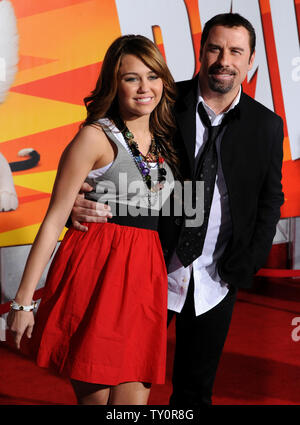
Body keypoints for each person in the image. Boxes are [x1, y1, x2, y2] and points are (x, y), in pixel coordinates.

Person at [70, 13, 284, 406]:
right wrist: (78, 203)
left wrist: (248, 261)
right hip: (151, 270)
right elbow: (107, 155)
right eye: (215, 48)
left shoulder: (267, 126)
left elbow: (271, 199)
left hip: (216, 278)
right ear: (201, 52)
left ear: (251, 60)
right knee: (121, 380)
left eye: (236, 51)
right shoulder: (164, 104)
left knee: (194, 392)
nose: (225, 59)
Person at [7, 34, 179, 405]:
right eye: (132, 77)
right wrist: (22, 303)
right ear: (113, 84)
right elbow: (54, 219)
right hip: (98, 271)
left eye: (152, 76)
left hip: (145, 278)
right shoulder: (95, 137)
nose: (144, 87)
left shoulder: (167, 137)